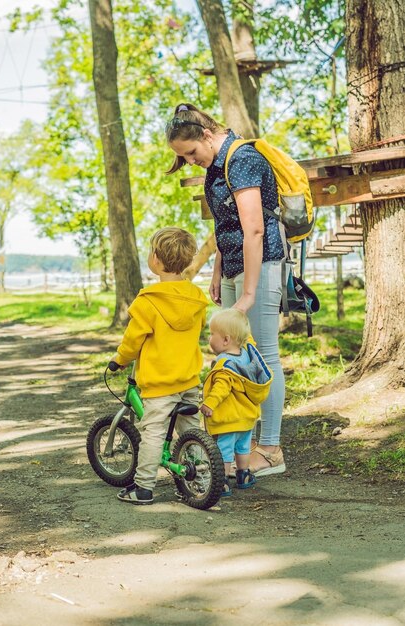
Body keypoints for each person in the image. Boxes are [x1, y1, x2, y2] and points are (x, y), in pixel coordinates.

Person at [165, 103, 286, 477]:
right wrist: (218, 270)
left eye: (190, 153)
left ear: (205, 134)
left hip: (261, 267)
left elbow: (253, 229)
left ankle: (271, 449)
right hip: (234, 265)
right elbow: (224, 224)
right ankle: (244, 449)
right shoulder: (215, 167)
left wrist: (249, 293)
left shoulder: (242, 159)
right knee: (235, 355)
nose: (190, 161)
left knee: (263, 353)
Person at [111, 227, 208, 505]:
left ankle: (143, 488)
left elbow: (132, 341)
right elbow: (199, 327)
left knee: (152, 433)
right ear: (188, 261)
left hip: (160, 385)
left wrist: (120, 359)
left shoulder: (148, 302)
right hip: (189, 380)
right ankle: (201, 479)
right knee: (191, 432)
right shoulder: (196, 298)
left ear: (155, 259)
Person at [200, 309, 273, 496]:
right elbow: (249, 339)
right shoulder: (248, 355)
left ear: (225, 340)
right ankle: (244, 475)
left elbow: (221, 389)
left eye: (211, 334)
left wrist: (209, 403)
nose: (209, 338)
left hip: (229, 421)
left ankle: (222, 482)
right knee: (242, 448)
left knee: (224, 450)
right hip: (247, 418)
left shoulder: (225, 365)